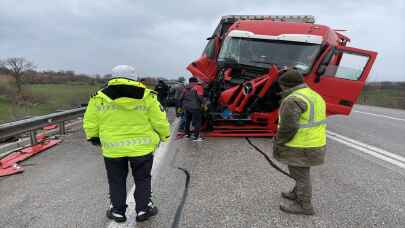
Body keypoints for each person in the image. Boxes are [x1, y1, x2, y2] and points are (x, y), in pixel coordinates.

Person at [83, 65, 170, 223]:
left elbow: (90, 121)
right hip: (142, 148)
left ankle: (117, 212)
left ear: (112, 77)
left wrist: (93, 137)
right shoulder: (148, 96)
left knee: (116, 180)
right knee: (143, 179)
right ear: (134, 78)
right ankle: (143, 209)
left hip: (112, 149)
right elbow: (160, 120)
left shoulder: (99, 97)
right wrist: (164, 136)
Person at [273, 69, 326, 215]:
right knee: (300, 171)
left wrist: (279, 141)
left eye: (281, 85)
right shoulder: (314, 95)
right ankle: (296, 194)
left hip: (301, 145)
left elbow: (289, 127)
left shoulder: (293, 100)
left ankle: (305, 206)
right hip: (315, 143)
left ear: (285, 85)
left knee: (301, 175)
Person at [180, 77, 205, 141]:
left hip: (187, 107)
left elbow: (181, 97)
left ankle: (187, 134)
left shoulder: (186, 87)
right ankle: (196, 137)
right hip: (195, 107)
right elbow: (200, 97)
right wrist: (205, 103)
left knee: (187, 121)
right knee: (197, 122)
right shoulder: (198, 87)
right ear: (195, 82)